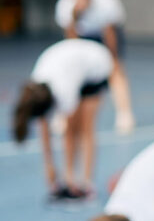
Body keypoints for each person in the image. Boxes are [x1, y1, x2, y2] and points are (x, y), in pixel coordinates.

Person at [13, 38, 113, 200]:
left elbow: (70, 132)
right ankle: (73, 179)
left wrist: (68, 178)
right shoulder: (35, 88)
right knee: (75, 129)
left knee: (85, 127)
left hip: (96, 64)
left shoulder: (64, 91)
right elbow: (43, 126)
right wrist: (49, 165)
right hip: (72, 63)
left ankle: (87, 183)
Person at [55, 0, 135, 134]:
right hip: (82, 35)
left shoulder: (106, 3)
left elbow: (110, 34)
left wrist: (113, 59)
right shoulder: (65, 5)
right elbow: (71, 39)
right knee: (71, 75)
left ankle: (125, 114)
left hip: (103, 34)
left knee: (115, 72)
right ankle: (64, 116)